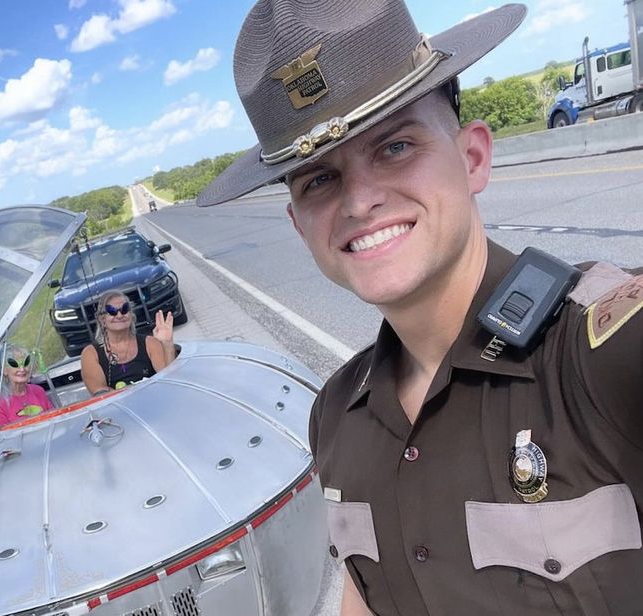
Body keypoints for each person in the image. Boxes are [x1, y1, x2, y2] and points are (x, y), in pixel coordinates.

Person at [198, 1, 643, 614]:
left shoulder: (603, 350)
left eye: (396, 146)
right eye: (319, 180)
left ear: (473, 157)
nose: (359, 201)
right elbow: (363, 594)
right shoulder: (334, 415)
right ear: (300, 227)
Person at [81, 290, 176, 395]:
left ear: (131, 315)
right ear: (102, 320)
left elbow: (169, 380)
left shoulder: (150, 343)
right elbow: (100, 393)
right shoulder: (91, 353)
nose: (119, 315)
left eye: (124, 309)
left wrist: (167, 343)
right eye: (112, 311)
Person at [0, 345, 53, 432]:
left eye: (25, 363)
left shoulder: (38, 391)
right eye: (15, 364)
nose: (22, 369)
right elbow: (0, 438)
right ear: (4, 370)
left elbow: (54, 417)